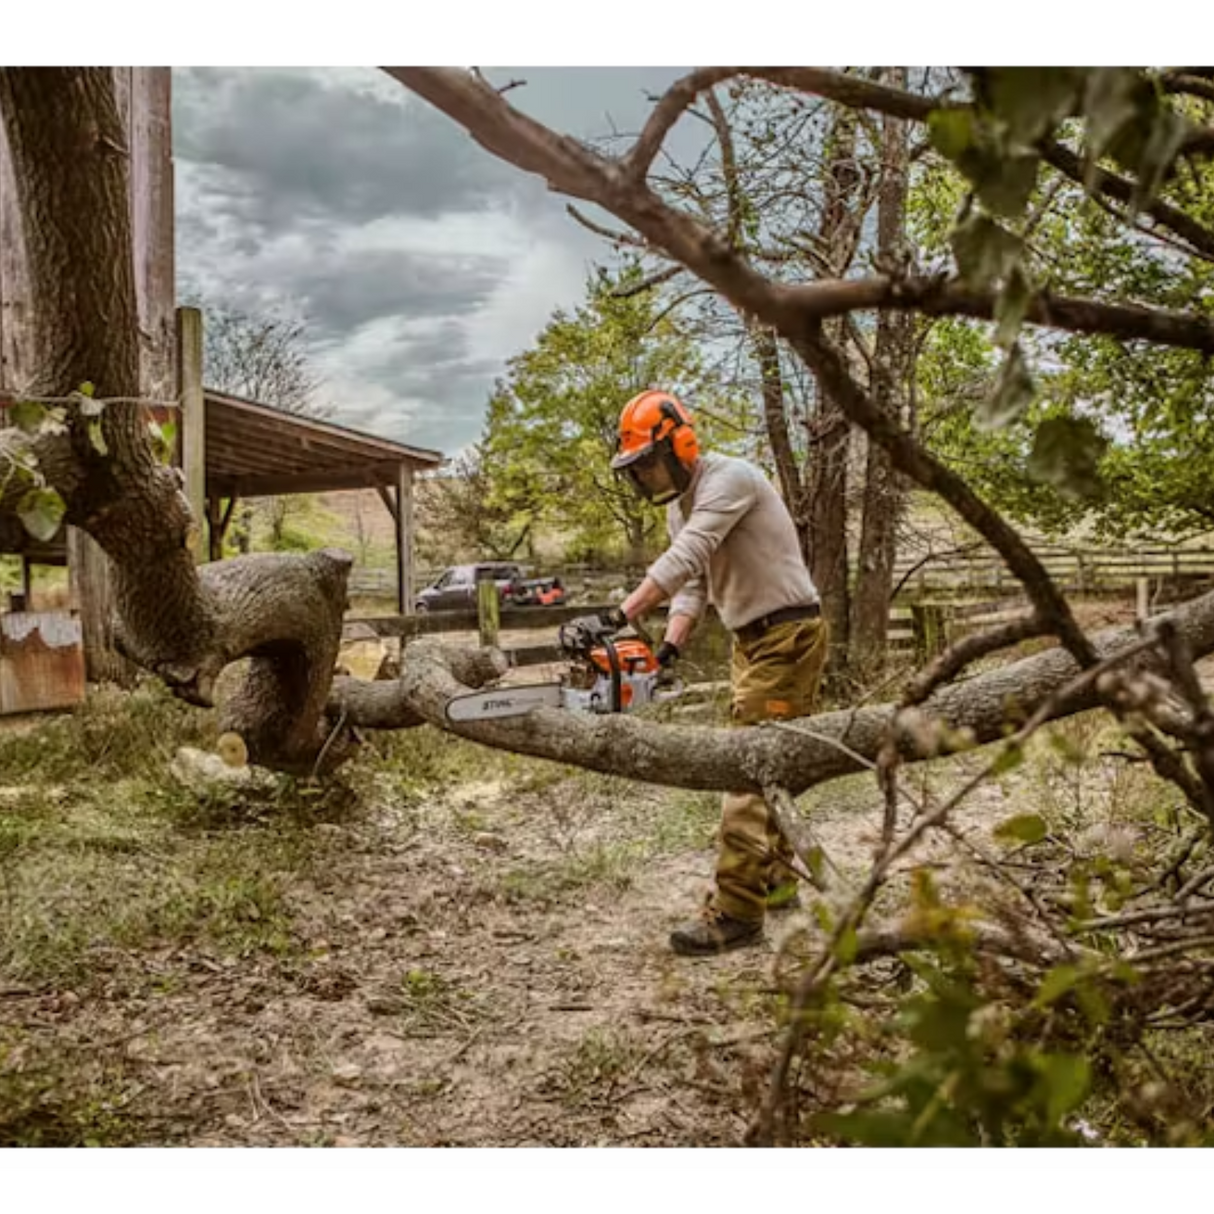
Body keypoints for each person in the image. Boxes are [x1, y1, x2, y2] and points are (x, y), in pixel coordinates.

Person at [602, 388, 829, 956]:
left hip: (787, 635)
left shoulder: (731, 480)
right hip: (750, 640)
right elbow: (695, 582)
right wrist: (669, 647)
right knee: (767, 761)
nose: (645, 477)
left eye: (647, 464)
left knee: (747, 771)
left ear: (678, 444)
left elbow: (683, 559)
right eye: (636, 470)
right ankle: (774, 884)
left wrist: (619, 615)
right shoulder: (683, 506)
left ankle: (735, 913)